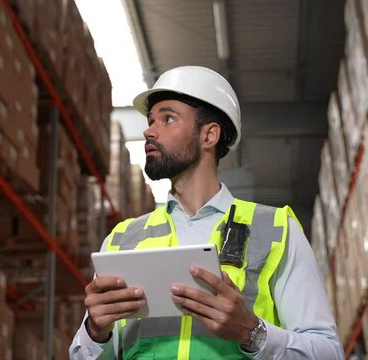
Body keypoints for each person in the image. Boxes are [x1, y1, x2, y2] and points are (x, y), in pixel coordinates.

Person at [69, 66, 343, 359]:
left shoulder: (275, 229)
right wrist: (96, 332)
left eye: (168, 118)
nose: (149, 130)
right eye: (150, 121)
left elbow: (328, 351)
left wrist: (251, 332)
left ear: (209, 135)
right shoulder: (122, 239)